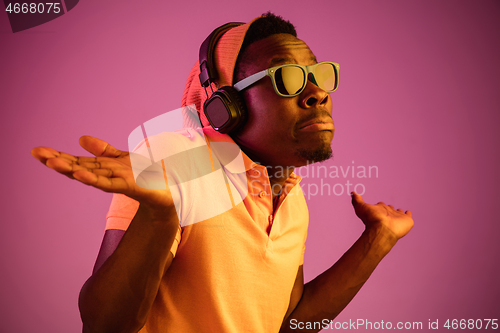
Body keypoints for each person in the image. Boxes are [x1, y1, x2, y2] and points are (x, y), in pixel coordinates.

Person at [31, 13, 414, 333]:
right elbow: (103, 325)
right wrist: (160, 213)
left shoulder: (291, 196)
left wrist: (377, 240)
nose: (317, 92)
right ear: (226, 106)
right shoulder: (175, 161)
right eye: (287, 78)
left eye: (318, 74)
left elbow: (285, 322)